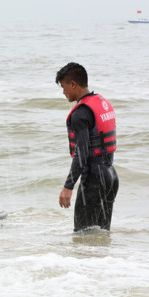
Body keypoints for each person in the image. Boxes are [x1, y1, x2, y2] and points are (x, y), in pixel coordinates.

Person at [55, 62, 119, 232]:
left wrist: (68, 186)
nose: (63, 92)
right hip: (111, 175)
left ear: (73, 84)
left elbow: (81, 153)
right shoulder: (101, 102)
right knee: (101, 234)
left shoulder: (80, 113)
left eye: (63, 87)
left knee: (83, 235)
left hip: (95, 179)